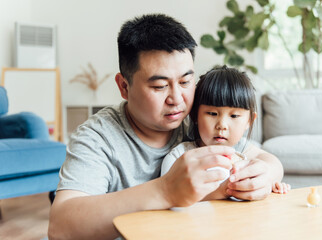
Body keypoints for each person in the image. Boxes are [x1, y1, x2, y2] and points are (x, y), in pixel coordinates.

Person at [48, 14, 284, 240]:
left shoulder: (202, 122)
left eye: (185, 82)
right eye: (160, 86)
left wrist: (264, 175)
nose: (177, 99)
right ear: (124, 87)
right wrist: (165, 191)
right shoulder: (98, 137)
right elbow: (60, 228)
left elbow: (266, 159)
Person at [161, 66, 290, 199]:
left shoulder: (242, 154)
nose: (222, 125)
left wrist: (268, 181)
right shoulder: (180, 157)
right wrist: (225, 190)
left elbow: (272, 164)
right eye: (212, 113)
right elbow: (169, 197)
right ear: (195, 116)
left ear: (249, 121)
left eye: (234, 116)